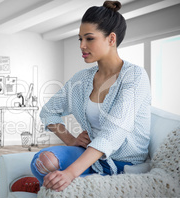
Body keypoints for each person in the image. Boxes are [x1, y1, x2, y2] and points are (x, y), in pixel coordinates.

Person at [10, 0, 151, 193]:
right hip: (89, 157)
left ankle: (47, 187)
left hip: (123, 165)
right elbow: (48, 112)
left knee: (64, 180)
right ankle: (62, 184)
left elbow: (112, 134)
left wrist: (69, 173)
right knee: (43, 162)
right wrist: (69, 139)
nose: (82, 45)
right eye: (80, 39)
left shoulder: (134, 76)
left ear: (111, 39)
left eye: (89, 39)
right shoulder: (81, 79)